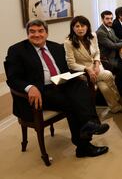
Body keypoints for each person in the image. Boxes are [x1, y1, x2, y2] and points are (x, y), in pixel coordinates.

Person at [5, 19, 109, 158]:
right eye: (32, 31)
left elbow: (65, 70)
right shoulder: (17, 50)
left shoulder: (56, 47)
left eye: (41, 31)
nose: (37, 35)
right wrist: (29, 87)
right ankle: (84, 145)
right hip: (41, 91)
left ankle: (90, 123)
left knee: (81, 85)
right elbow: (13, 78)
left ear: (46, 33)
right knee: (73, 104)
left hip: (60, 83)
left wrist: (76, 75)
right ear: (27, 33)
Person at [64, 16, 122, 114]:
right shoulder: (68, 42)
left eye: (83, 26)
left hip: (96, 65)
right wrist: (87, 69)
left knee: (103, 86)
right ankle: (117, 99)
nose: (80, 29)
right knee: (108, 75)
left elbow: (97, 52)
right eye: (77, 26)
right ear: (72, 28)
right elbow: (71, 64)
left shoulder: (93, 36)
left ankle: (115, 107)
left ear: (87, 27)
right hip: (81, 71)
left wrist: (96, 64)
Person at [96, 10, 122, 95]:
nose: (110, 21)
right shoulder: (100, 32)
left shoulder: (110, 28)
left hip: (114, 54)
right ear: (102, 19)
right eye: (107, 19)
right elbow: (112, 45)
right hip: (107, 58)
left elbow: (117, 40)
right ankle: (120, 90)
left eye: (111, 18)